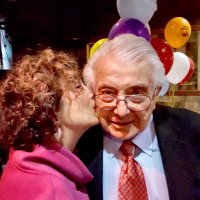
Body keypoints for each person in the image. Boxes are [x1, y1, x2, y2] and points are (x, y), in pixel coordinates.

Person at [77, 34, 200, 200]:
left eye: (136, 93)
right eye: (107, 93)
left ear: (156, 94)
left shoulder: (193, 132)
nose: (121, 111)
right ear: (92, 93)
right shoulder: (77, 143)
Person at [0, 48, 99, 200]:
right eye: (78, 87)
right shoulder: (53, 188)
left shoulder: (23, 158)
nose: (91, 93)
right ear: (50, 109)